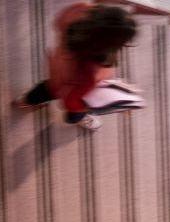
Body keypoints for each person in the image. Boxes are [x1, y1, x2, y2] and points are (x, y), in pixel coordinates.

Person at [14, 2, 139, 131]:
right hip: (73, 89)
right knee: (75, 112)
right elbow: (71, 101)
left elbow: (59, 20)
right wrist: (118, 102)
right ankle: (79, 118)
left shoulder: (80, 10)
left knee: (45, 90)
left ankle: (26, 101)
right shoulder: (92, 71)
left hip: (58, 70)